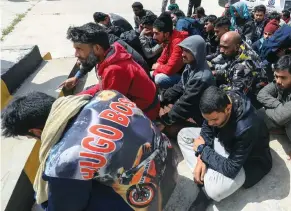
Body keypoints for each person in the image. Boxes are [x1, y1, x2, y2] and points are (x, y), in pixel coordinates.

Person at [1, 90, 176, 210]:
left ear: (36, 132)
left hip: (152, 201)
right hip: (169, 163)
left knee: (56, 198)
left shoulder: (64, 160)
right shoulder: (107, 95)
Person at [177, 86, 272, 210]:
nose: (210, 123)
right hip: (225, 143)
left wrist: (202, 150)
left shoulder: (246, 127)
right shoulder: (222, 99)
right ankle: (205, 172)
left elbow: (231, 168)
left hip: (246, 162)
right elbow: (207, 128)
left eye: (214, 119)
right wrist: (202, 159)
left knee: (214, 191)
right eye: (207, 119)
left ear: (228, 108)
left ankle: (205, 186)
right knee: (183, 135)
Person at [67, 23, 160, 120]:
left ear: (97, 48)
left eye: (79, 49)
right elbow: (103, 85)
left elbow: (110, 106)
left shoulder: (114, 70)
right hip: (131, 103)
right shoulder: (109, 54)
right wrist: (76, 98)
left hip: (145, 114)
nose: (76, 54)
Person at [159, 36, 215, 136]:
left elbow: (186, 104)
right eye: (183, 50)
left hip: (201, 118)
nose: (182, 54)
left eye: (187, 51)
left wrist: (164, 121)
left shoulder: (201, 78)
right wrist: (162, 97)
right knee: (162, 107)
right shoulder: (192, 65)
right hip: (191, 108)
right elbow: (180, 86)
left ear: (197, 52)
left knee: (169, 128)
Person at [213, 31, 265, 98]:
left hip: (251, 97)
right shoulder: (240, 46)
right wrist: (217, 73)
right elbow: (231, 70)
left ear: (237, 47)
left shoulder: (243, 66)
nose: (221, 50)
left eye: (225, 47)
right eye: (221, 46)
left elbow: (236, 94)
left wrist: (220, 88)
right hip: (243, 82)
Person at [152, 14, 189, 89]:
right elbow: (161, 59)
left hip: (184, 77)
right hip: (171, 71)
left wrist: (158, 68)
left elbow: (171, 69)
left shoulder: (177, 43)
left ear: (166, 34)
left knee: (159, 79)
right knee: (150, 74)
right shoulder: (168, 39)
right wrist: (157, 69)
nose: (154, 37)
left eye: (156, 33)